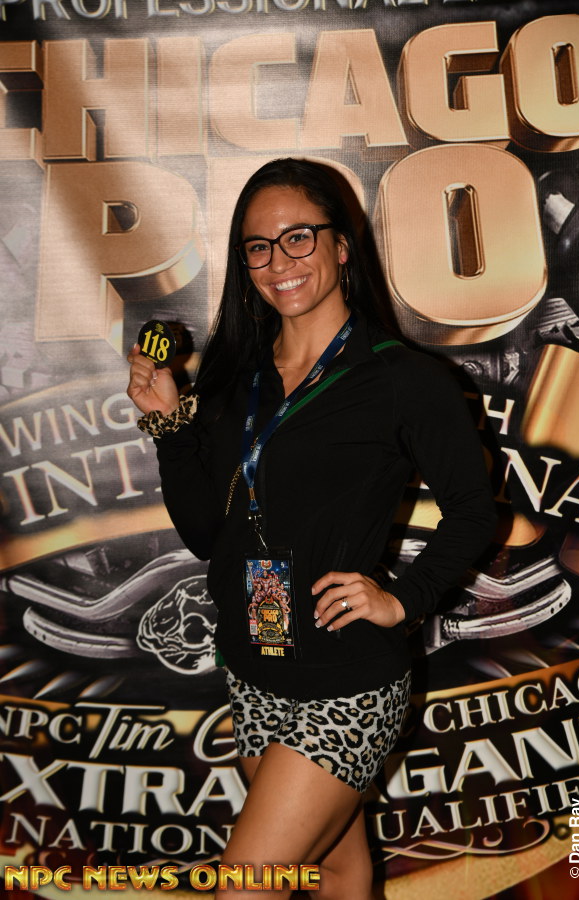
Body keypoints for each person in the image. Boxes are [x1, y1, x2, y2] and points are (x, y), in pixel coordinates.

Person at [126, 158, 497, 898]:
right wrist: (168, 423)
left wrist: (404, 597)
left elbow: (475, 511)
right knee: (334, 866)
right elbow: (208, 535)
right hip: (253, 668)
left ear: (342, 245)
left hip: (346, 682)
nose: (279, 262)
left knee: (245, 887)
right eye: (258, 247)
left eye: (299, 237)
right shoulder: (236, 381)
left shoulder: (401, 378)